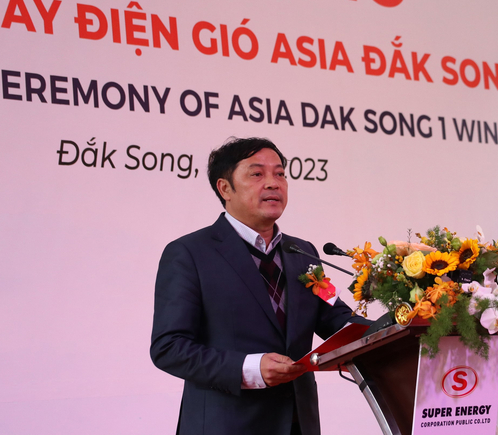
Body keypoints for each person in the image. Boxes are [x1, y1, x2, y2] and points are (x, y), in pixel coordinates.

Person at [150, 137, 367, 435]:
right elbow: (169, 348)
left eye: (280, 174)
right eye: (257, 174)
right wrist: (249, 368)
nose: (273, 183)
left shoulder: (302, 252)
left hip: (298, 423)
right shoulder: (190, 253)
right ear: (225, 188)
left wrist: (406, 321)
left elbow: (338, 320)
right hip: (225, 425)